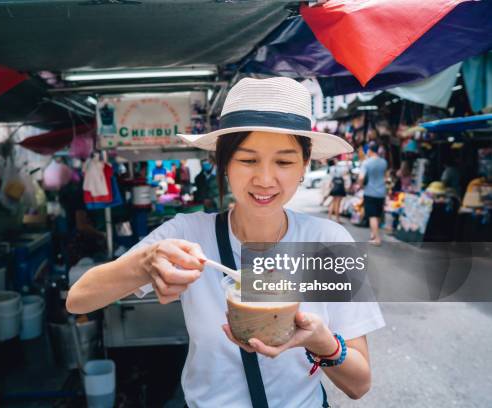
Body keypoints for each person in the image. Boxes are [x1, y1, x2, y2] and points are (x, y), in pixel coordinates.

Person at [67, 77, 384, 408]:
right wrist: (143, 263)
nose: (264, 178)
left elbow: (359, 384)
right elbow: (78, 300)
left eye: (284, 161)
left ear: (305, 165)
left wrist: (323, 342)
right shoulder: (188, 234)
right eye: (247, 160)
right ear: (222, 161)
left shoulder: (329, 241)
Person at [358, 143, 387, 246]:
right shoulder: (384, 162)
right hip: (381, 192)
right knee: (377, 215)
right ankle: (373, 234)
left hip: (370, 192)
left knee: (372, 216)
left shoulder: (366, 163)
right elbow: (385, 177)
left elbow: (361, 177)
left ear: (370, 151)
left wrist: (360, 185)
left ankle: (377, 239)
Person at [327, 159, 347, 223]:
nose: (337, 160)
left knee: (333, 202)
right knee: (337, 203)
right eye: (336, 160)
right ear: (334, 162)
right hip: (339, 186)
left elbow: (330, 178)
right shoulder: (338, 168)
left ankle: (329, 217)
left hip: (334, 186)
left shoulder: (330, 168)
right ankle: (337, 219)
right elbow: (345, 173)